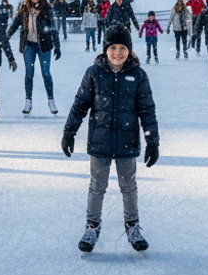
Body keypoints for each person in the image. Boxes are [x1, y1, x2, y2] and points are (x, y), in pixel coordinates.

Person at [61, 25, 159, 254]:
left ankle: (133, 227)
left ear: (129, 50)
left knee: (128, 187)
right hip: (100, 142)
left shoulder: (138, 75)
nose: (118, 53)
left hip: (127, 142)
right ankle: (91, 227)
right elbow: (80, 105)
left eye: (123, 48)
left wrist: (152, 141)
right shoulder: (94, 73)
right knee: (97, 186)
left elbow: (147, 111)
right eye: (113, 47)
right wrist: (69, 132)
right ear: (105, 49)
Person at [6, 0, 61, 115]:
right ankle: (28, 100)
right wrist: (5, 37)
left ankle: (51, 100)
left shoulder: (46, 8)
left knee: (46, 73)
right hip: (29, 45)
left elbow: (53, 28)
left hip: (44, 45)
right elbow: (15, 24)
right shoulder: (24, 7)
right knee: (29, 73)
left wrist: (57, 46)